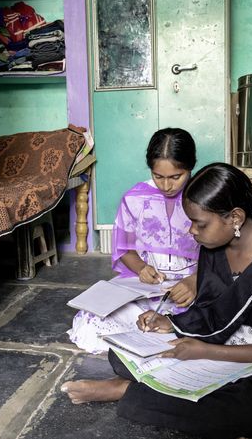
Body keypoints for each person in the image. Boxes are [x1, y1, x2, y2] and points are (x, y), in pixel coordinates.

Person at [61, 163, 252, 439]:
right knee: (122, 355)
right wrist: (171, 324)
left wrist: (204, 351)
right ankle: (155, 384)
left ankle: (125, 390)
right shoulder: (217, 248)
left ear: (235, 217)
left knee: (242, 411)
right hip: (221, 346)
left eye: (200, 223)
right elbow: (215, 312)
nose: (192, 231)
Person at [68, 128, 200, 354]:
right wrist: (141, 268)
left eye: (176, 177)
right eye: (159, 176)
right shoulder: (135, 198)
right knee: (90, 320)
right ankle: (159, 335)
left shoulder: (204, 195)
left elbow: (226, 254)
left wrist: (196, 281)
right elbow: (126, 250)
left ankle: (165, 332)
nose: (166, 186)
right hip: (149, 289)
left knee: (217, 316)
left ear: (191, 167)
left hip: (196, 287)